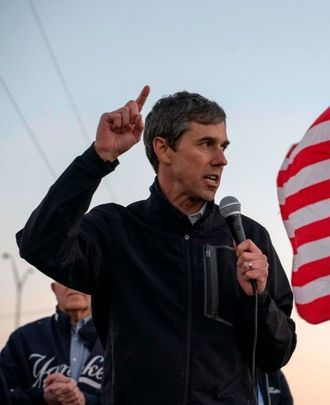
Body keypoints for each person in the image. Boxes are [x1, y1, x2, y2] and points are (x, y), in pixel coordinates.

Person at [16, 87, 297, 404]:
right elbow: (39, 245)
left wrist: (258, 299)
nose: (222, 160)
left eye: (223, 146)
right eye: (206, 144)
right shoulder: (117, 230)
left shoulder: (249, 238)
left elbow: (277, 354)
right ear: (163, 149)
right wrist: (97, 159)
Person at [0, 282, 103, 404]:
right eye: (64, 279)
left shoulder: (118, 342)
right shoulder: (23, 339)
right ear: (54, 288)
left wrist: (85, 400)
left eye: (79, 277)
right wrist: (43, 397)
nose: (73, 284)